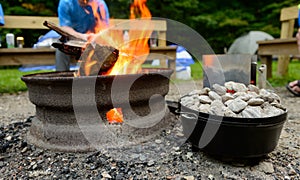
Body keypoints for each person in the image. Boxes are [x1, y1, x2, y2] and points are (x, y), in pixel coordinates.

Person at [56, 0, 110, 71]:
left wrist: (96, 37)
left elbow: (105, 29)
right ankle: (61, 76)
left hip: (95, 40)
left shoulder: (99, 4)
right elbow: (65, 28)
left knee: (108, 45)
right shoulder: (66, 3)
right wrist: (81, 36)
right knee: (60, 46)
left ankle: (103, 75)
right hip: (73, 39)